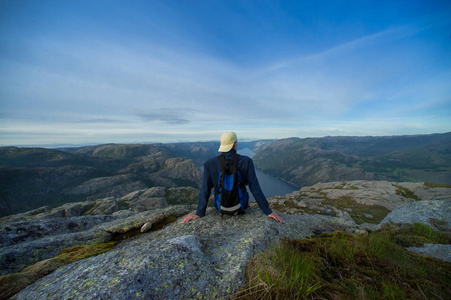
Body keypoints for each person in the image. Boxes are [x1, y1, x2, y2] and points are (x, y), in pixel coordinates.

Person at [182, 131, 285, 223]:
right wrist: (267, 211)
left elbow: (205, 190)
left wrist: (199, 213)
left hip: (220, 207)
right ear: (235, 144)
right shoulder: (246, 161)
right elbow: (255, 188)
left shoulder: (209, 164)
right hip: (241, 206)